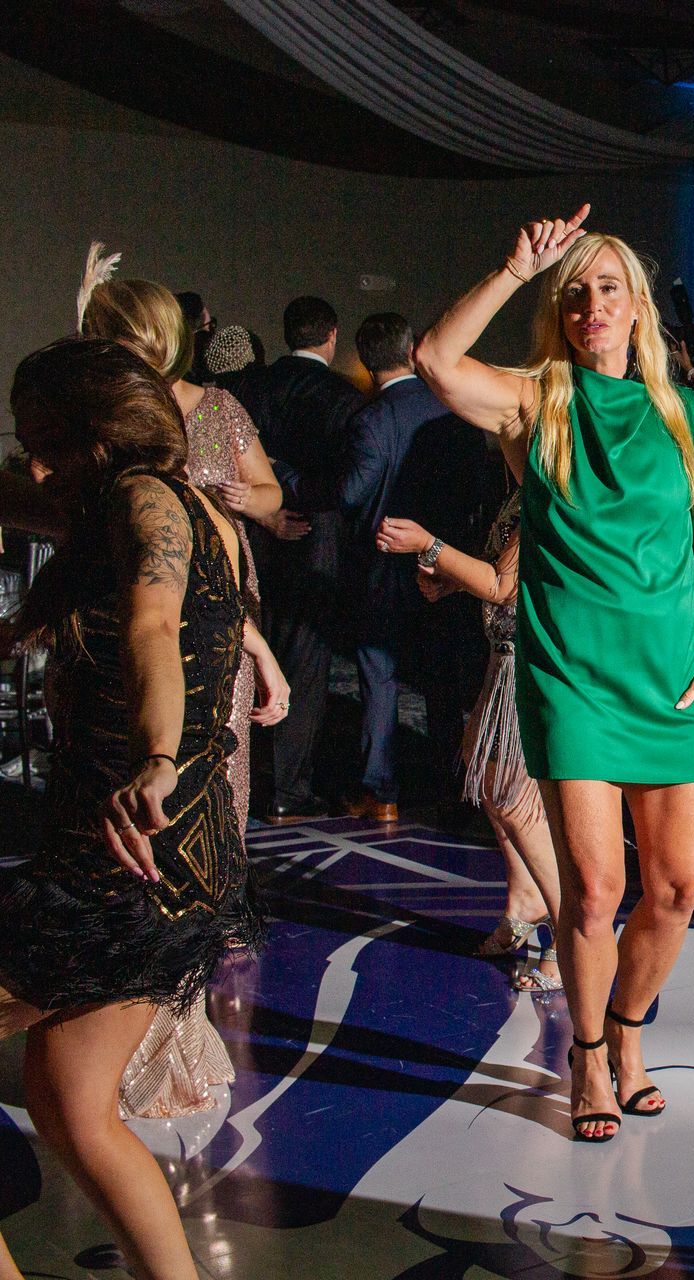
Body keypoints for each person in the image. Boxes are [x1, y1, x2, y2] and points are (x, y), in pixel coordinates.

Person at [415, 207, 694, 1143]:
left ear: (637, 306)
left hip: (673, 681)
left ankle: (629, 1030)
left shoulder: (684, 413)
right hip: (574, 682)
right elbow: (437, 360)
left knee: (677, 890)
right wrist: (515, 269)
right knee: (593, 893)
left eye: (608, 288)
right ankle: (589, 1055)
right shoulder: (536, 401)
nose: (592, 305)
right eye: (575, 293)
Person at [0, 337, 258, 1280]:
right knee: (73, 1108)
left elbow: (155, 625)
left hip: (133, 857)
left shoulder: (143, 500)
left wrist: (156, 757)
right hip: (161, 854)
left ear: (99, 437)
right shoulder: (166, 503)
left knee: (75, 1107)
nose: (35, 466)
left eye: (45, 444)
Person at [76, 247, 292, 1119]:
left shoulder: (218, 412)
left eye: (128, 337)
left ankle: (181, 998)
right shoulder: (105, 419)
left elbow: (272, 496)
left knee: (205, 792)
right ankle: (132, 1022)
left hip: (210, 618)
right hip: (130, 629)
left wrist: (237, 501)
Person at [377, 486, 562, 994]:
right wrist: (456, 582)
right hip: (505, 654)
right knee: (485, 774)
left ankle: (570, 926)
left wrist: (430, 546)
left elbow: (504, 585)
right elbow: (506, 576)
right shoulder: (520, 488)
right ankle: (525, 898)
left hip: (532, 662)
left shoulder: (548, 484)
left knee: (511, 793)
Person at [336, 313, 489, 823]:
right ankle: (453, 785)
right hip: (446, 563)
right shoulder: (454, 410)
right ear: (410, 352)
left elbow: (351, 493)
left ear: (366, 361)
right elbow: (477, 486)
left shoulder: (372, 419)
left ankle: (381, 791)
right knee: (442, 677)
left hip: (383, 565)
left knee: (379, 675)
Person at [232, 296, 365, 823]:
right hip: (318, 534)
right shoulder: (344, 396)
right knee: (305, 663)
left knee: (251, 648)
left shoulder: (248, 388)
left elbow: (229, 460)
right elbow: (350, 480)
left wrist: (266, 508)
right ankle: (290, 789)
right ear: (331, 336)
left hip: (252, 532)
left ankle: (248, 774)